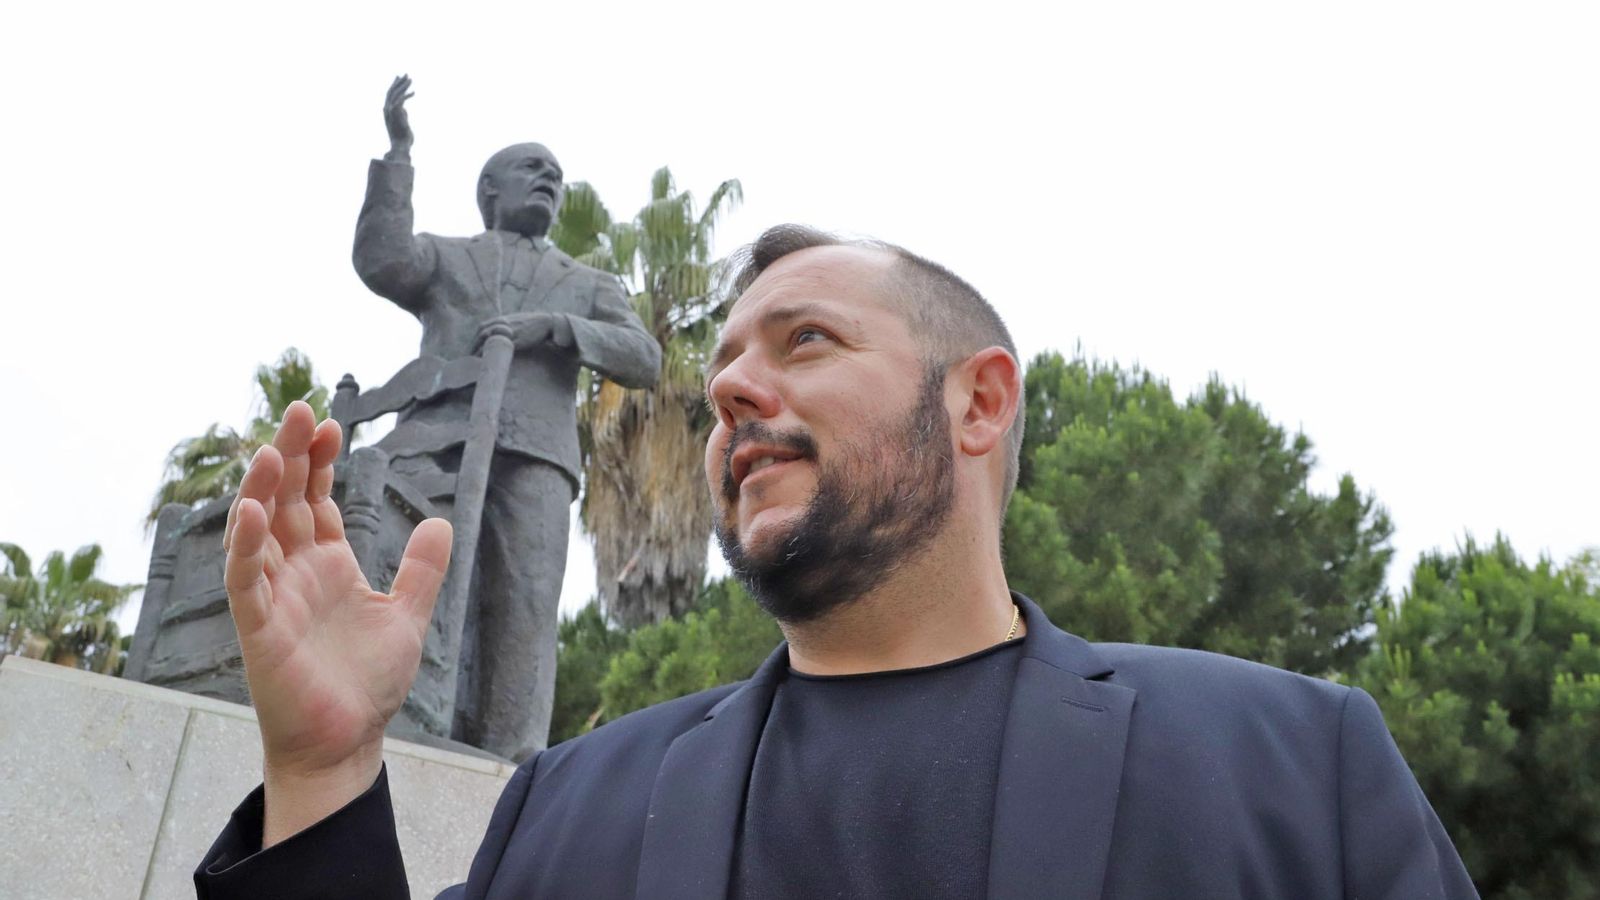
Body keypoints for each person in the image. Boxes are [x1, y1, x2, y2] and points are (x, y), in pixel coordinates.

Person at [196, 225, 1477, 898]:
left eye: (805, 341)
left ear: (977, 406)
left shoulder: (1296, 768)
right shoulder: (569, 808)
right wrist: (320, 771)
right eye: (727, 367)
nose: (735, 389)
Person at [352, 76, 660, 760]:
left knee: (522, 609)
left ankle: (509, 765)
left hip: (535, 458)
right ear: (490, 190)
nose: (548, 180)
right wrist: (398, 153)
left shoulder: (589, 285)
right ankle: (387, 715)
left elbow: (644, 357)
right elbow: (381, 260)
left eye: (556, 174)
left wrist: (558, 328)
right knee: (407, 575)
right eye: (532, 169)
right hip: (437, 444)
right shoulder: (447, 257)